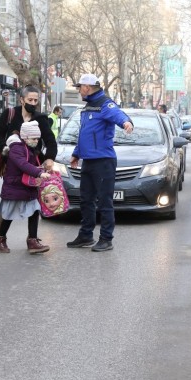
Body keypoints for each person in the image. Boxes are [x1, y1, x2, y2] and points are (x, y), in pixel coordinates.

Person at [67, 73, 133, 252]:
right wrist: (76, 153)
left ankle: (106, 239)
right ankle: (86, 235)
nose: (79, 90)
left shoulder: (105, 104)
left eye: (80, 87)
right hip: (88, 161)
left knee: (104, 202)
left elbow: (119, 115)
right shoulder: (88, 107)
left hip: (103, 161)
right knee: (86, 200)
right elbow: (85, 135)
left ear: (87, 88)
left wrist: (126, 123)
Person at [0, 85, 58, 243]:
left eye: (36, 100)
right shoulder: (10, 114)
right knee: (13, 198)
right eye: (30, 100)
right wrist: (5, 149)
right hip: (12, 164)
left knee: (33, 199)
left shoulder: (40, 118)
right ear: (21, 100)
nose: (33, 103)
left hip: (34, 164)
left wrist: (49, 158)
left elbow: (50, 140)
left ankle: (32, 239)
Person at [0, 121, 51, 254]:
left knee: (35, 210)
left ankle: (32, 240)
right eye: (34, 138)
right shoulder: (16, 148)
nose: (36, 141)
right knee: (8, 215)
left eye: (37, 138)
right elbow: (23, 165)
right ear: (25, 137)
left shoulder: (30, 148)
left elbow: (34, 163)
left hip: (28, 186)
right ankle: (0, 238)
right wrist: (39, 173)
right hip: (14, 187)